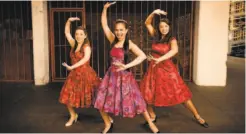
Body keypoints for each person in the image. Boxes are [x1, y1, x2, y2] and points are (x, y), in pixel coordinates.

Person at [94, 2, 160, 133]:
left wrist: (126, 65)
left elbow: (142, 56)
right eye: (117, 30)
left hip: (124, 77)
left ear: (126, 30)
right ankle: (108, 123)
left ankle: (150, 124)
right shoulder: (112, 39)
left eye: (121, 30)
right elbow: (104, 24)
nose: (118, 32)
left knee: (138, 101)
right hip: (111, 76)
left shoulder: (129, 43)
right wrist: (105, 9)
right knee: (100, 99)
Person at [140, 9, 209, 128]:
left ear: (169, 27)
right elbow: (147, 23)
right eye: (161, 26)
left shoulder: (172, 39)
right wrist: (153, 13)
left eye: (166, 26)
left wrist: (160, 59)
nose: (164, 29)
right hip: (154, 69)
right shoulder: (156, 36)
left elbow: (174, 51)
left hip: (167, 69)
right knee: (148, 92)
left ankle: (197, 115)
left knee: (180, 94)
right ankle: (152, 115)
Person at [59, 17, 101, 127]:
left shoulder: (87, 46)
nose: (78, 36)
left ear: (85, 36)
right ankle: (73, 115)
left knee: (96, 97)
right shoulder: (74, 44)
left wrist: (72, 66)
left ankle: (106, 117)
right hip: (74, 75)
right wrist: (68, 20)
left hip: (86, 74)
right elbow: (67, 32)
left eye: (81, 34)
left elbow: (85, 59)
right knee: (67, 96)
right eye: (77, 34)